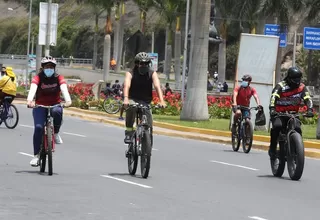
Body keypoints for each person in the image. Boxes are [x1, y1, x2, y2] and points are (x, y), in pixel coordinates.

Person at [26, 56, 72, 167]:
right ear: (43, 67)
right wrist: (30, 100)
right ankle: (36, 156)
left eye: (51, 67)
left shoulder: (58, 77)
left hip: (54, 104)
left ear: (54, 68)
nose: (49, 69)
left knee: (57, 111)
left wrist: (68, 100)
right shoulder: (38, 77)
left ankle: (55, 133)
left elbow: (64, 88)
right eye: (47, 66)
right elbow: (33, 88)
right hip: (40, 106)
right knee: (38, 128)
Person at [268, 67, 313, 160]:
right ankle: (272, 148)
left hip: (293, 114)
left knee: (297, 128)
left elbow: (308, 99)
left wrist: (310, 109)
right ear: (289, 78)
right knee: (277, 126)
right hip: (279, 114)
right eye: (294, 80)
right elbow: (273, 98)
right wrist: (272, 109)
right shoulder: (280, 86)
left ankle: (297, 151)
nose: (296, 82)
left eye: (298, 80)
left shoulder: (302, 87)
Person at [123, 52, 166, 146]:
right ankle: (129, 132)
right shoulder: (130, 73)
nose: (144, 65)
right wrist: (126, 99)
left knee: (149, 121)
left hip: (146, 100)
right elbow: (127, 85)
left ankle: (147, 140)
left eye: (146, 63)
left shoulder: (152, 73)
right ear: (137, 63)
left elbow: (157, 86)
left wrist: (161, 100)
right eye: (141, 63)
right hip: (133, 98)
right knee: (131, 108)